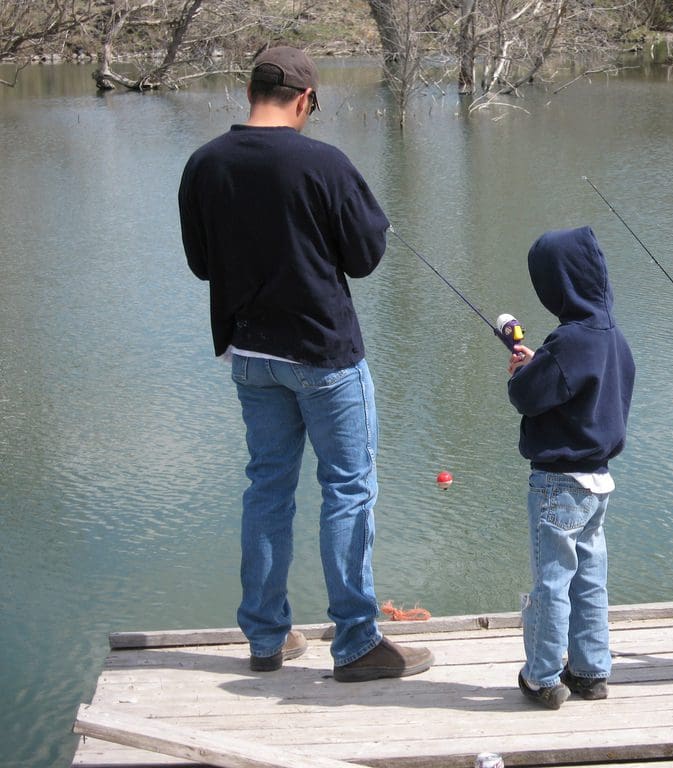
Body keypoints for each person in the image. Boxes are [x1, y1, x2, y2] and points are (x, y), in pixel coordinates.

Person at [177, 45, 433, 682]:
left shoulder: (203, 164)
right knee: (348, 490)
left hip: (251, 356)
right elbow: (366, 256)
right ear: (304, 100)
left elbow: (201, 263)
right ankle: (355, 643)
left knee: (268, 488)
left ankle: (266, 638)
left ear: (249, 92)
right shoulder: (324, 162)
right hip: (324, 355)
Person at [505, 226, 635, 709]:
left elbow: (527, 396)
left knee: (553, 581)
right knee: (590, 578)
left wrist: (523, 372)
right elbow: (584, 389)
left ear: (557, 286)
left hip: (558, 485)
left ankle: (542, 676)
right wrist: (541, 362)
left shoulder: (568, 340)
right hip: (599, 482)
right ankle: (591, 671)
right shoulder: (613, 339)